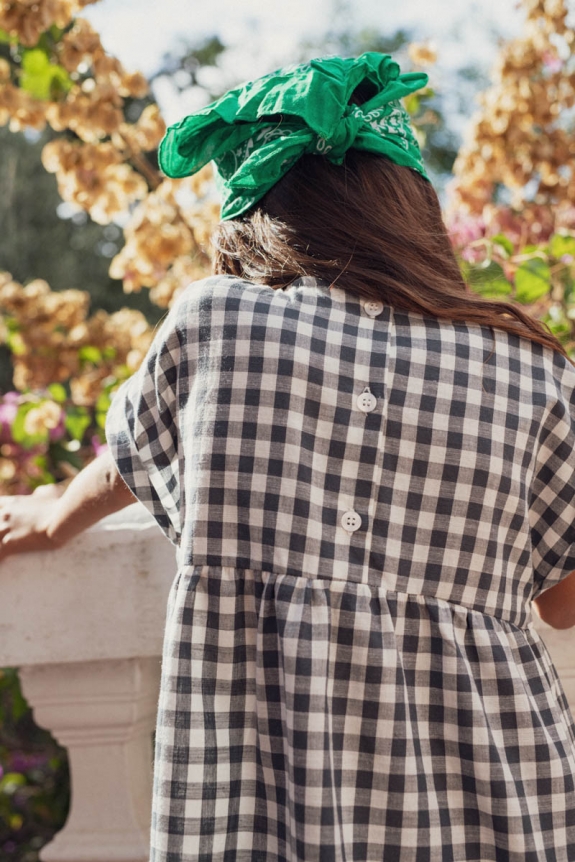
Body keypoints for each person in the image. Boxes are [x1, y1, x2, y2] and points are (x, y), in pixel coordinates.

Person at [2, 52, 575, 861]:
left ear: (252, 215)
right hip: (502, 805)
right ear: (413, 211)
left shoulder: (216, 325)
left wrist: (56, 513)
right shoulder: (531, 369)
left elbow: (133, 448)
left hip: (266, 808)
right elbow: (561, 602)